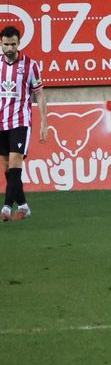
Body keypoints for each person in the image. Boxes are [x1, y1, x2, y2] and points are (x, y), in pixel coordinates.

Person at [0, 27, 44, 222]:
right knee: (7, 167)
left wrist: (45, 122)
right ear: (1, 43)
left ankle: (7, 207)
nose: (10, 48)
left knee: (16, 162)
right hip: (1, 122)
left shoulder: (30, 65)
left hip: (20, 121)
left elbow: (40, 95)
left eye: (13, 44)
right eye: (6, 44)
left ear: (19, 44)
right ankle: (24, 206)